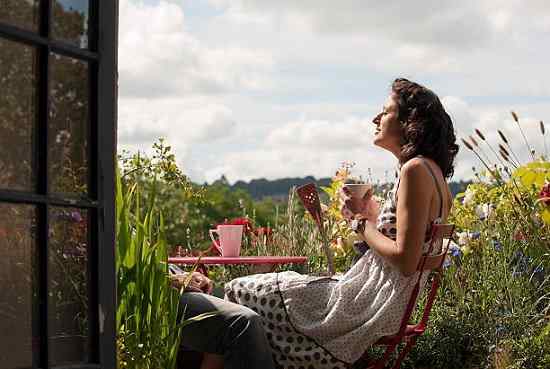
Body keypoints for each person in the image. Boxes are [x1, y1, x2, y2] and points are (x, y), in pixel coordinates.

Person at [225, 78, 459, 368]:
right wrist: (368, 217)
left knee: (241, 290)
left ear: (408, 121)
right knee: (273, 288)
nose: (376, 118)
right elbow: (403, 247)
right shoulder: (432, 173)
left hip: (367, 304)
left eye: (385, 112)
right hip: (378, 299)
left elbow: (406, 259)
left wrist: (362, 225)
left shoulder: (415, 170)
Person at [172, 271, 276, 369]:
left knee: (223, 291)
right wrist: (172, 280)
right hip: (163, 286)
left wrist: (193, 276)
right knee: (242, 321)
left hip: (172, 271)